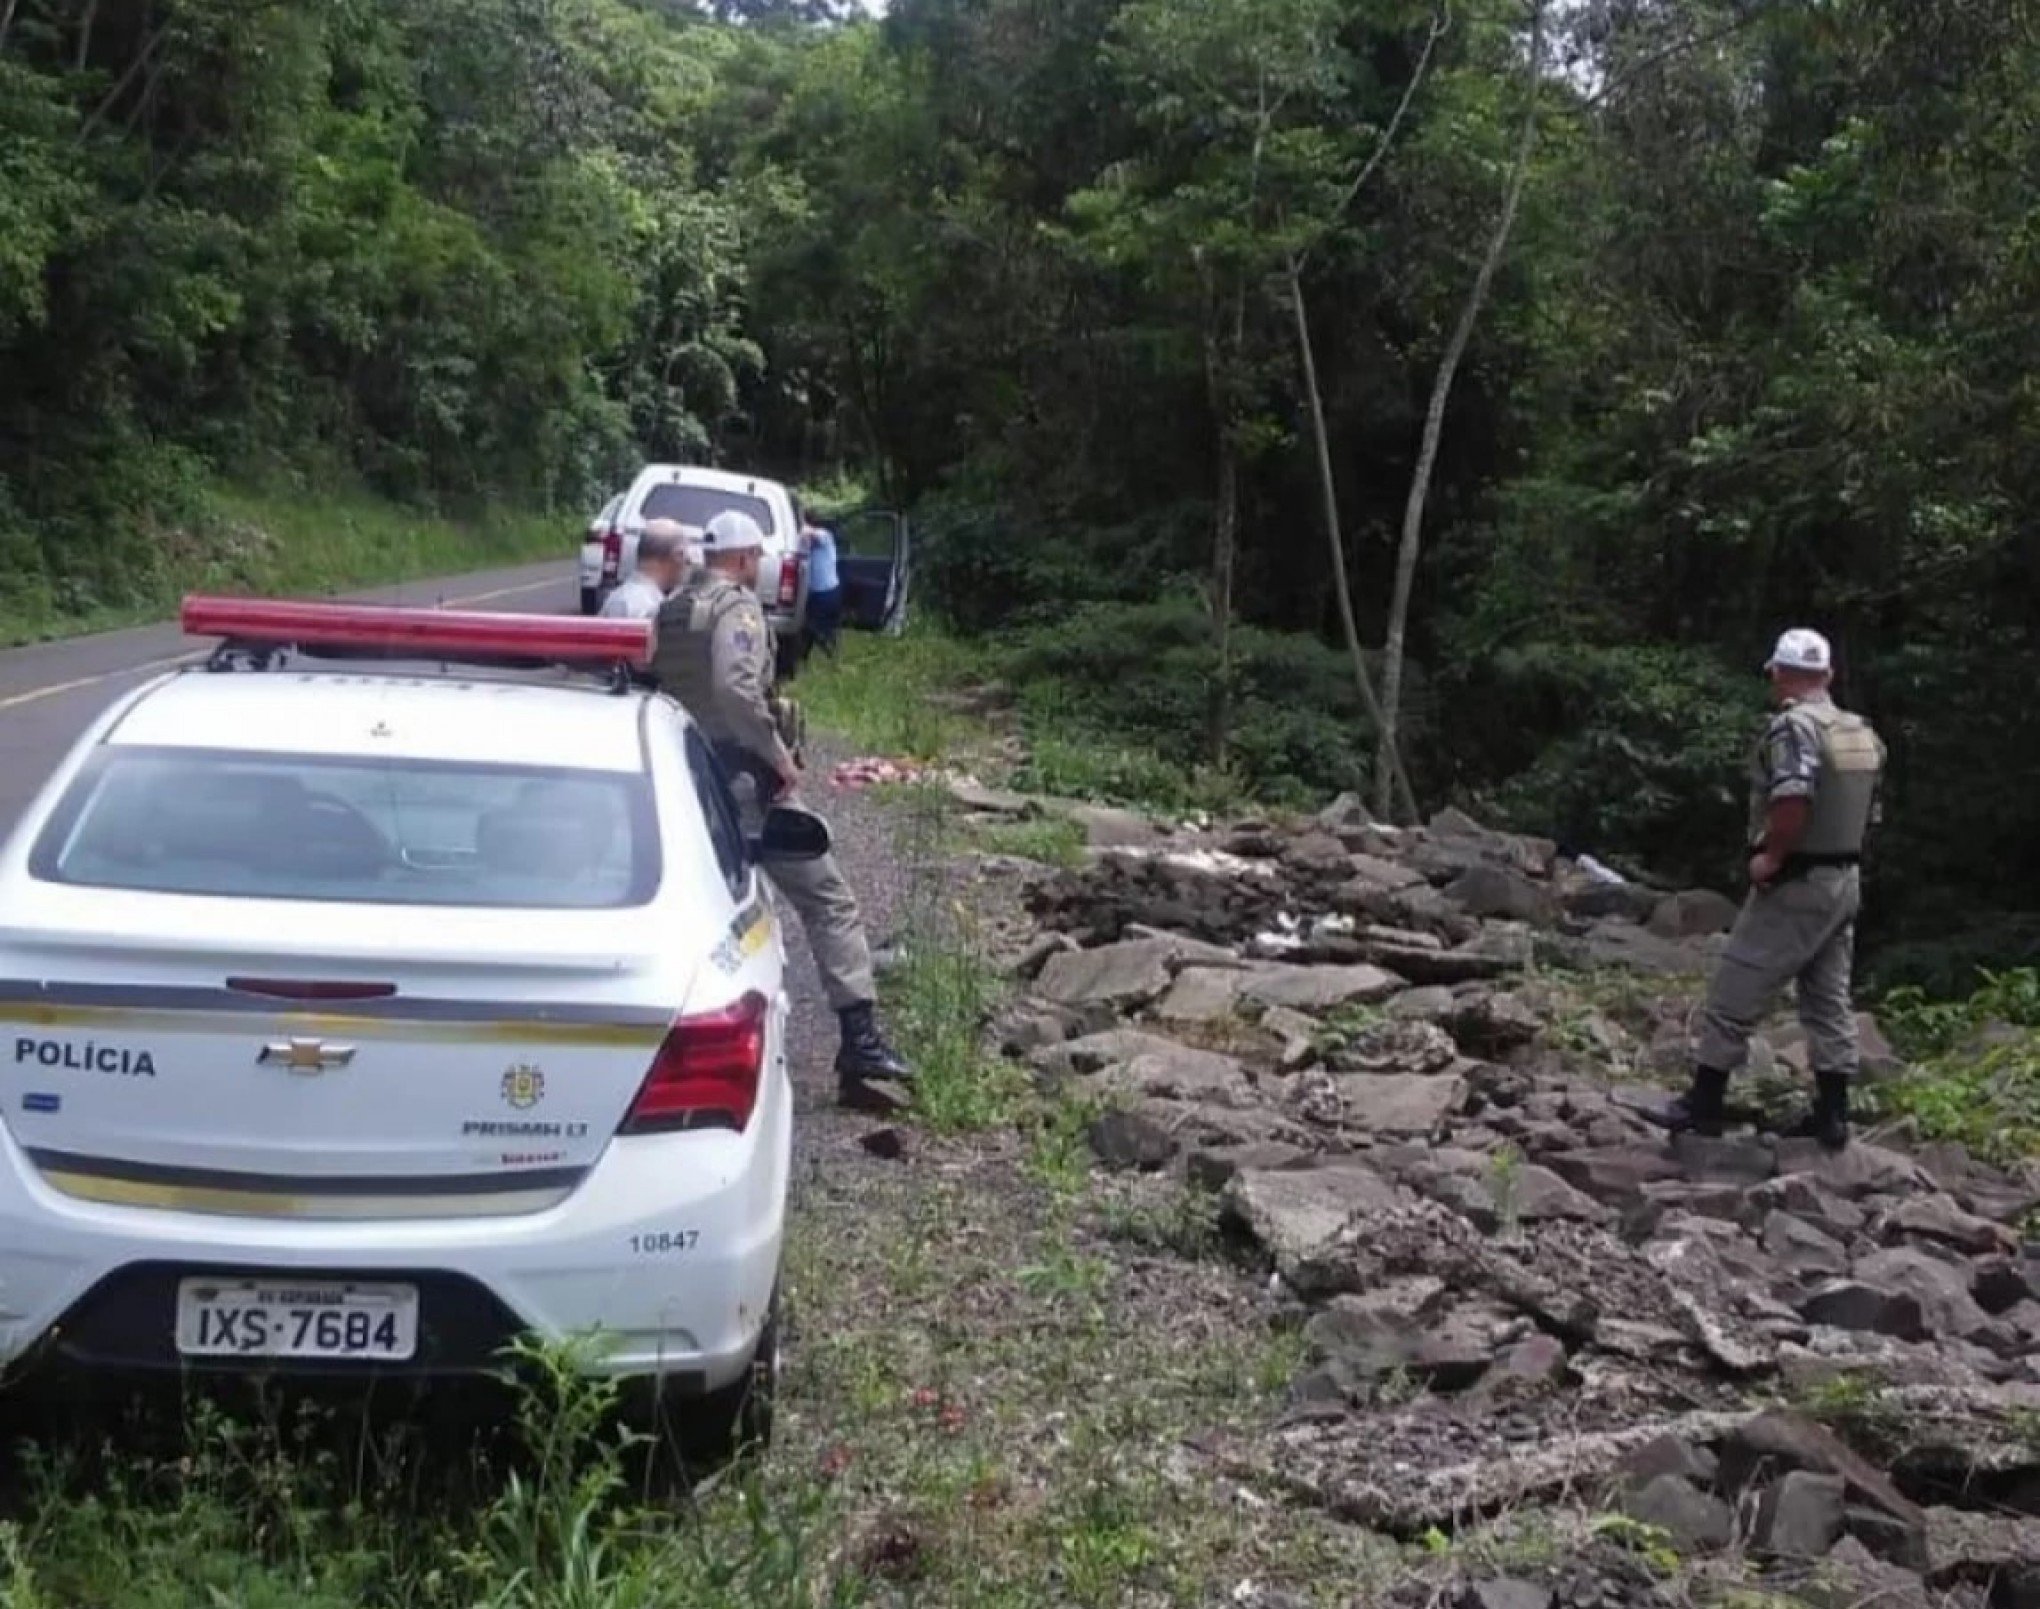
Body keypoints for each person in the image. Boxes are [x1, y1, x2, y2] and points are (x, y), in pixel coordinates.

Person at [651, 509, 913, 1110]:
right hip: (747, 785)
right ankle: (860, 1044)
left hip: (686, 778)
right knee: (830, 901)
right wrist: (777, 754)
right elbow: (737, 689)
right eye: (759, 558)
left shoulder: (672, 610)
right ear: (744, 558)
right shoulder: (736, 609)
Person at [1653, 628, 1886, 1151]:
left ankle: (1705, 1103)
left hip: (1798, 879)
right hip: (1844, 880)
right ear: (1826, 676)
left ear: (1779, 674)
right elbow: (1871, 812)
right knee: (1829, 997)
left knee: (1736, 985)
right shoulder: (1858, 731)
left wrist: (1771, 857)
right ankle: (1832, 1115)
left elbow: (1792, 798)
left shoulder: (1794, 729)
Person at [599, 521, 689, 621]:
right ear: (677, 556)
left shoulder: (616, 597)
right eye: (685, 556)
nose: (687, 563)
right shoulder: (650, 609)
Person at [801, 506, 843, 657]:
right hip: (822, 592)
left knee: (813, 627)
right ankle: (828, 652)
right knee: (818, 626)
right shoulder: (810, 543)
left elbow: (809, 533)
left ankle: (827, 652)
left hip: (826, 593)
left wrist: (798, 524)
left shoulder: (825, 536)